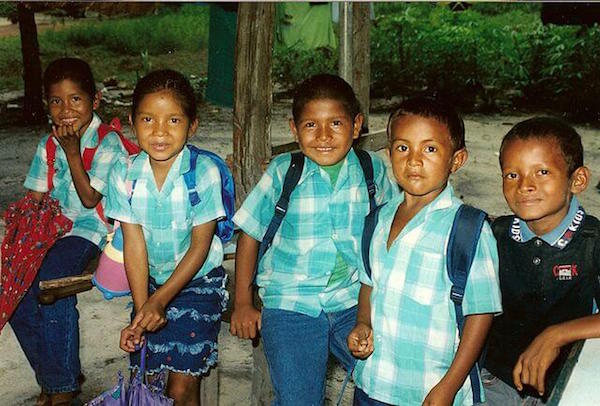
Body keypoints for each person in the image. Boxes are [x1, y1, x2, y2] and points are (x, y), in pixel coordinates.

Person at [230, 73, 397, 405]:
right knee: (297, 398)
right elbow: (249, 233)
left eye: (335, 123)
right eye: (310, 125)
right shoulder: (283, 172)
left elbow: (391, 232)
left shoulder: (371, 170)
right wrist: (243, 302)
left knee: (387, 381)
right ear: (294, 129)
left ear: (356, 125)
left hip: (353, 301)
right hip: (291, 304)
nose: (323, 136)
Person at [348, 97, 502, 406]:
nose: (414, 160)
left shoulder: (468, 231)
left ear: (456, 160)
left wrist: (449, 386)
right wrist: (363, 322)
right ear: (389, 153)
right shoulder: (378, 219)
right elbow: (369, 283)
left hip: (432, 390)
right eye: (403, 148)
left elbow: (480, 315)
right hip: (374, 382)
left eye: (430, 149)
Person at [9, 57, 128, 406]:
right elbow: (34, 197)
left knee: (51, 282)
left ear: (96, 99)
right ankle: (54, 376)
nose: (66, 110)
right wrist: (19, 243)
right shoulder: (48, 143)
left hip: (91, 230)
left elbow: (91, 199)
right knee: (14, 290)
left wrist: (73, 153)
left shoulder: (108, 142)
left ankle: (60, 387)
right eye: (56, 101)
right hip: (51, 229)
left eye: (76, 99)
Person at [105, 69, 228, 405]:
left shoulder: (202, 172)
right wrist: (142, 310)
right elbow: (134, 245)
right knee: (154, 380)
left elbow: (201, 246)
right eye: (148, 119)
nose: (159, 132)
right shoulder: (124, 174)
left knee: (180, 388)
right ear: (132, 122)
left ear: (192, 125)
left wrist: (159, 302)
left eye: (173, 120)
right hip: (151, 285)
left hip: (198, 281)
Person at [482, 117, 600, 405]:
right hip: (495, 379)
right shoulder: (494, 235)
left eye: (542, 172)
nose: (525, 186)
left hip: (566, 384)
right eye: (512, 175)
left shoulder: (592, 242)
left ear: (578, 180)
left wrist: (556, 335)